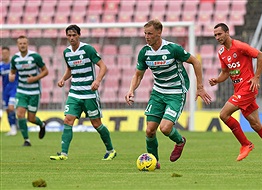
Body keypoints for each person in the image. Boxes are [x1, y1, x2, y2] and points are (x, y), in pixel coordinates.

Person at [125, 19, 212, 169]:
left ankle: (180, 141)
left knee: (164, 128)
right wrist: (131, 89)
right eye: (145, 33)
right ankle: (154, 162)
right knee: (149, 130)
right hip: (158, 92)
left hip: (176, 92)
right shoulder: (145, 52)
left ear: (159, 33)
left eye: (150, 33)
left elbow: (195, 62)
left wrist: (200, 87)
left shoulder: (173, 49)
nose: (147, 36)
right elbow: (138, 75)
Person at [209, 23, 262, 165]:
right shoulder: (222, 53)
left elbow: (261, 56)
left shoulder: (239, 46)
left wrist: (256, 76)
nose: (217, 37)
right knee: (256, 124)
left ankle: (246, 144)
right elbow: (225, 73)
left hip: (248, 88)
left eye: (219, 34)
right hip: (239, 90)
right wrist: (217, 80)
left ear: (227, 33)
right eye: (215, 35)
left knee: (224, 114)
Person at [50, 25, 117, 161]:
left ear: (79, 35)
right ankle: (63, 154)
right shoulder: (67, 52)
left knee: (96, 124)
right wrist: (63, 79)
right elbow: (70, 69)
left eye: (74, 35)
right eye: (69, 35)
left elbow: (103, 66)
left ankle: (111, 150)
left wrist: (97, 81)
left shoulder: (88, 49)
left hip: (89, 94)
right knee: (68, 120)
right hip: (74, 92)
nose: (72, 38)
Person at [9, 36, 48, 146]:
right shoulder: (15, 59)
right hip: (21, 91)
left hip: (34, 92)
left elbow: (46, 71)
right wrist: (11, 76)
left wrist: (34, 78)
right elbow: (12, 72)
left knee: (31, 118)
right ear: (17, 45)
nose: (22, 45)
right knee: (20, 114)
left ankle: (42, 124)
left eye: (24, 43)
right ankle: (27, 140)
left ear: (27, 44)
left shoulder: (35, 57)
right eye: (20, 43)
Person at [1, 46, 18, 136]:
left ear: (9, 53)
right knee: (7, 110)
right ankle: (12, 127)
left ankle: (15, 126)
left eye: (6, 53)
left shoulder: (13, 64)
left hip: (14, 89)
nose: (4, 55)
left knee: (11, 107)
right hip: (5, 91)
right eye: (3, 53)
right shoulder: (1, 66)